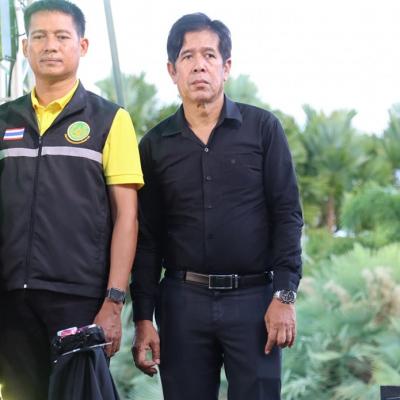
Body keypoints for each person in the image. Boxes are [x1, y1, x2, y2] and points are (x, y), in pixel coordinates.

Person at [131, 12, 303, 400]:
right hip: (182, 304)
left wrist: (284, 295)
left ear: (226, 67)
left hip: (254, 302)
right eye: (187, 56)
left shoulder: (263, 129)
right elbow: (147, 238)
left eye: (209, 55)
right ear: (172, 70)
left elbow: (287, 216)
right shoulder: (154, 145)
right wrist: (143, 317)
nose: (199, 65)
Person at [0, 1, 143, 399]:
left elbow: (127, 218)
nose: (50, 45)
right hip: (11, 302)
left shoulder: (110, 120)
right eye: (39, 36)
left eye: (62, 36)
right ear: (25, 47)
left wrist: (114, 301)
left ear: (82, 46)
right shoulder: (4, 119)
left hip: (79, 301)